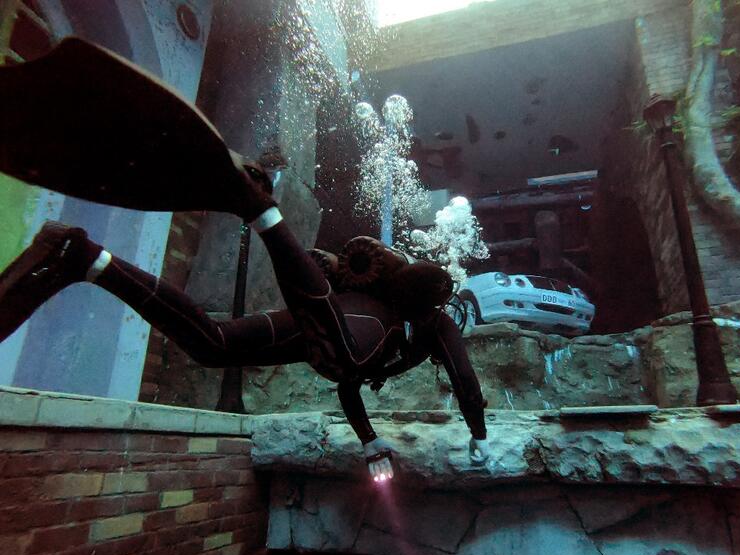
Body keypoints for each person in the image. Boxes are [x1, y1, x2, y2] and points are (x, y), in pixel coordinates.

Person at [0, 159, 490, 481]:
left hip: (323, 336)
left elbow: (349, 386)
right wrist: (480, 439)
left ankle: (84, 258)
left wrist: (370, 441)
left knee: (213, 346)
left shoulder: (398, 321)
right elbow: (466, 384)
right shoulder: (435, 326)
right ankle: (262, 210)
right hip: (338, 335)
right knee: (340, 344)